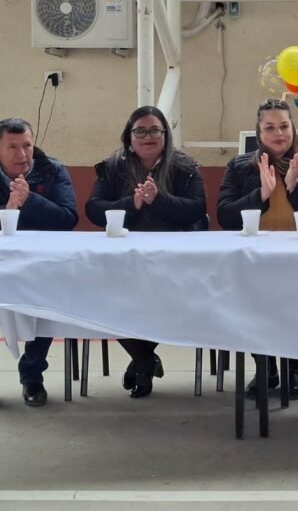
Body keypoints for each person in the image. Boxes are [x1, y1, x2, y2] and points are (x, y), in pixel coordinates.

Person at [0, 117, 78, 409]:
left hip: (39, 266)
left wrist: (30, 200)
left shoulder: (52, 171)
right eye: (13, 147)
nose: (22, 154)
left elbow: (67, 219)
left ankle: (32, 376)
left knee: (52, 297)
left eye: (27, 146)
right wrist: (4, 211)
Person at [217, 98, 298, 401]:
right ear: (259, 132)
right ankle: (265, 367)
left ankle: (293, 368)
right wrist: (261, 194)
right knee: (253, 306)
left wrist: (296, 185)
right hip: (255, 257)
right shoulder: (240, 166)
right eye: (270, 127)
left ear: (293, 128)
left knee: (294, 307)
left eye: (284, 126)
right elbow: (225, 216)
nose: (278, 133)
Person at [85, 106, 207, 399]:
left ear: (165, 135)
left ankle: (141, 362)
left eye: (155, 130)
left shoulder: (186, 167)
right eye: (140, 131)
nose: (148, 136)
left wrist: (158, 199)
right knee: (104, 296)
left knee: (166, 300)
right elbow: (93, 208)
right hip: (124, 257)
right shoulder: (112, 167)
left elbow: (197, 208)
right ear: (129, 138)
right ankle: (144, 360)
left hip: (175, 256)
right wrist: (133, 204)